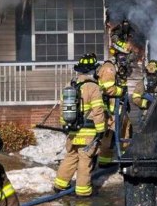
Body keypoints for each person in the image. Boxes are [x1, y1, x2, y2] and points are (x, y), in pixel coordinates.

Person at [53, 53, 106, 197]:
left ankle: (60, 184)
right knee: (85, 159)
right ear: (92, 70)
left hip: (72, 130)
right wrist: (101, 130)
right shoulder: (93, 87)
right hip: (88, 131)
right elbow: (98, 110)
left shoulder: (70, 86)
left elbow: (62, 108)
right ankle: (83, 191)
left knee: (71, 156)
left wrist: (65, 125)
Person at [96, 40, 133, 167]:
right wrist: (121, 91)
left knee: (125, 130)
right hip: (111, 108)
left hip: (119, 105)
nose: (125, 58)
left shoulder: (117, 67)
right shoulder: (109, 68)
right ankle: (104, 162)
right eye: (123, 55)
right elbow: (108, 88)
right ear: (116, 53)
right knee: (110, 135)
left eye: (126, 55)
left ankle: (124, 158)